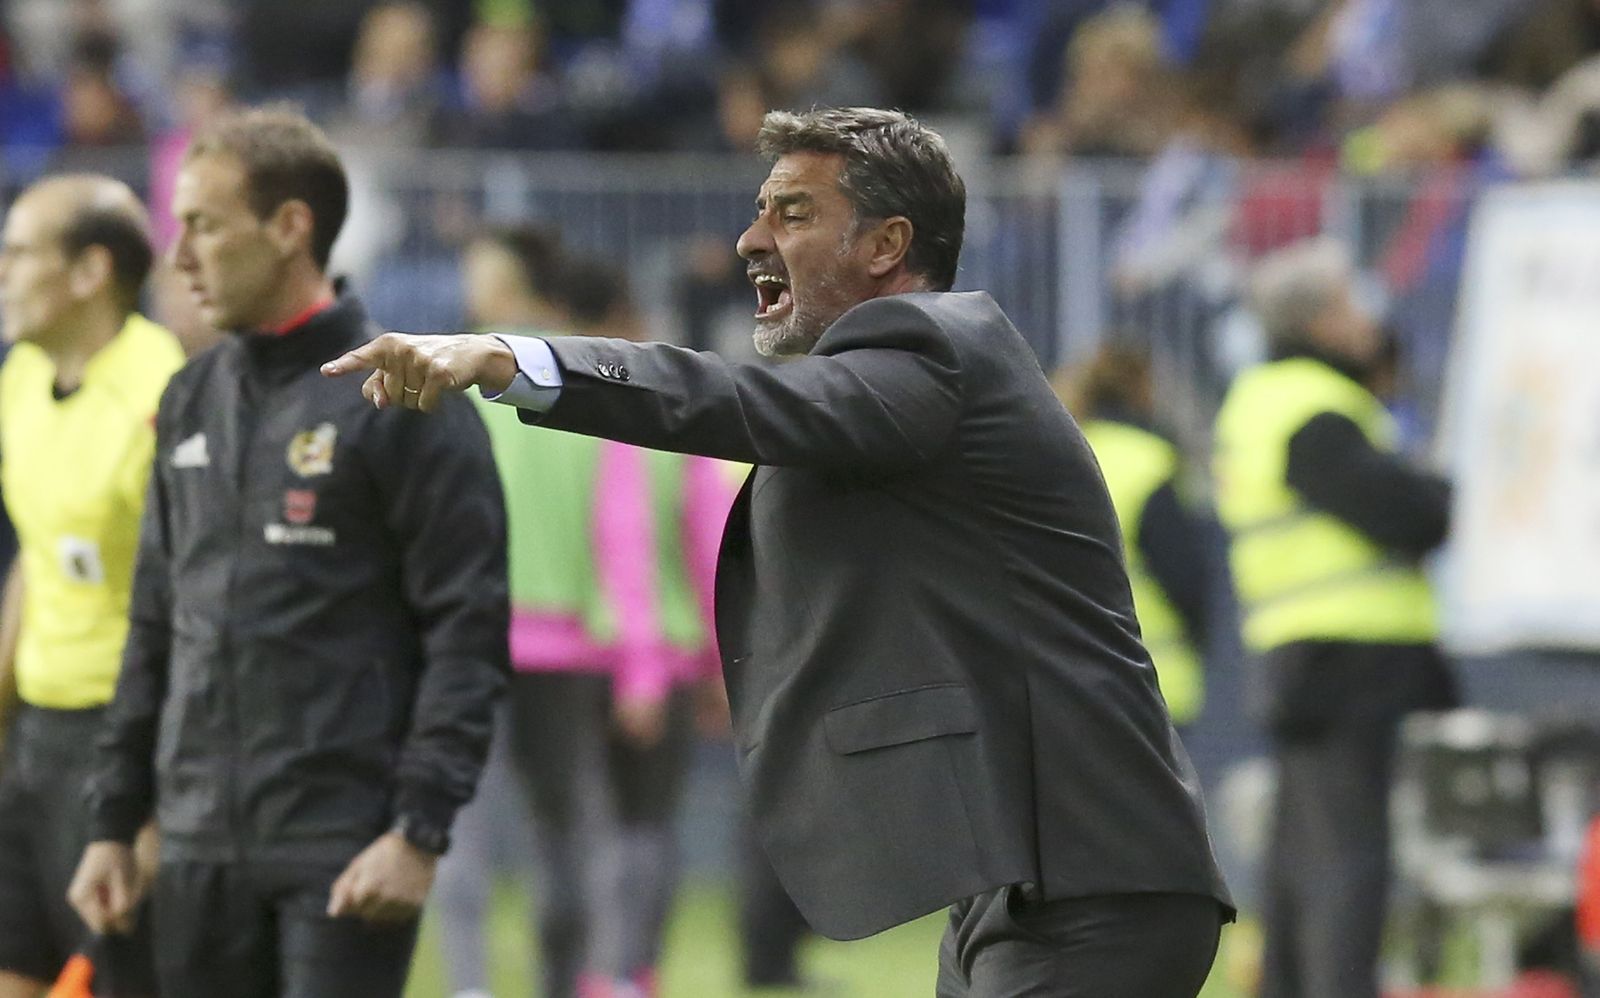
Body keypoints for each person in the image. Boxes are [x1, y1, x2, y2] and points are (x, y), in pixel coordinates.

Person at [324, 106, 1233, 997]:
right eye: (761, 209)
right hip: (1034, 879)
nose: (749, 240)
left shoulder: (935, 349)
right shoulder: (894, 386)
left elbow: (721, 397)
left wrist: (512, 359)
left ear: (886, 246)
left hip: (1093, 878)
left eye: (793, 213)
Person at [66, 107, 509, 997]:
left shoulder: (404, 395)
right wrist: (115, 821)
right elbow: (155, 623)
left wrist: (418, 832)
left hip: (340, 848)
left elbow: (467, 630)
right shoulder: (189, 399)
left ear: (290, 226)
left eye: (202, 225)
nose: (178, 256)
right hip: (193, 845)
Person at [456, 229, 730, 998]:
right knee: (620, 827)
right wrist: (708, 658)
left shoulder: (491, 390)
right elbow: (679, 541)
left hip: (527, 637)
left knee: (491, 827)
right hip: (628, 650)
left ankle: (490, 982)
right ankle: (619, 975)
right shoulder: (654, 410)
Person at [1213, 238, 1456, 998]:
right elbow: (1406, 513)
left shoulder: (1269, 398)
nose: (1367, 318)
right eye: (1351, 303)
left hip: (1304, 650)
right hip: (1352, 653)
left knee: (1300, 856)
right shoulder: (1312, 405)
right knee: (1350, 858)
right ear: (1319, 319)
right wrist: (1435, 492)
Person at [0, 175, 180, 998]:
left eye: (19, 252)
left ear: (88, 272)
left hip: (123, 744)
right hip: (33, 736)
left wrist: (151, 806)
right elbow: (37, 557)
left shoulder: (164, 396)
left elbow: (195, 606)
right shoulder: (19, 379)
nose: (2, 272)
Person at [1055, 344, 1211, 728]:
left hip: (1065, 678)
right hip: (1148, 677)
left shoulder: (1060, 455)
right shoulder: (1149, 462)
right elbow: (1185, 579)